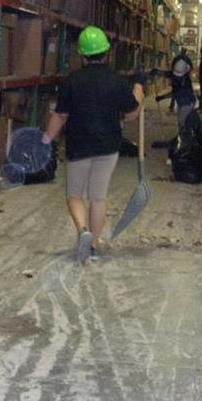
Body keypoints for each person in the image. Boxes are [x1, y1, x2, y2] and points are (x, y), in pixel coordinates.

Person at [42, 26, 143, 263]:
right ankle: (95, 244)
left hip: (79, 145)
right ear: (107, 53)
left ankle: (82, 230)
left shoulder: (72, 82)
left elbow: (61, 116)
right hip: (108, 146)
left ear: (82, 55)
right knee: (98, 197)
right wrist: (138, 87)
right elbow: (133, 112)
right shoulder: (117, 82)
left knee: (75, 194)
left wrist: (46, 138)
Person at [155, 49, 196, 132]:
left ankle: (185, 140)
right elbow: (168, 74)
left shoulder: (184, 82)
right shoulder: (179, 72)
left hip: (187, 104)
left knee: (183, 124)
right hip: (183, 103)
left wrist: (161, 97)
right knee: (181, 124)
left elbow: (174, 93)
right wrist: (157, 71)